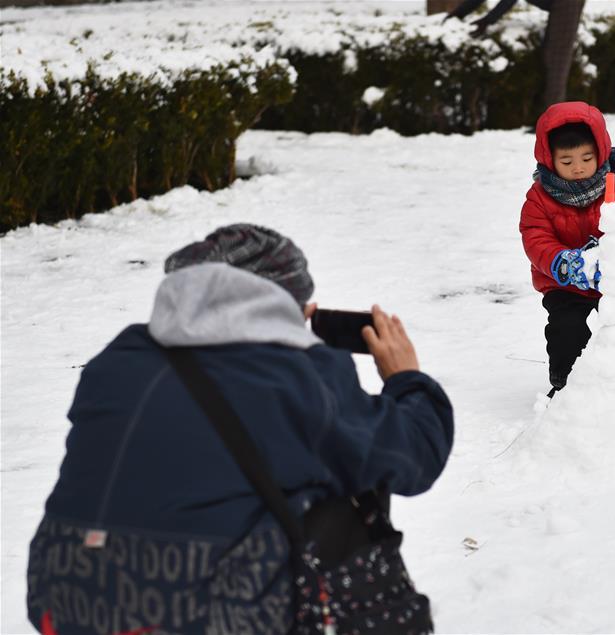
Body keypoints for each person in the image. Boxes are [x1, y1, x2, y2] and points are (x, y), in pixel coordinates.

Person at [26, 224, 454, 634]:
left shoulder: (117, 360)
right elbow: (415, 456)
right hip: (207, 616)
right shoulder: (298, 375)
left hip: (66, 599)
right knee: (342, 483)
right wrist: (405, 377)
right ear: (284, 306)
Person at [519, 101, 615, 397]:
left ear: (601, 154)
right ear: (549, 159)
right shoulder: (539, 198)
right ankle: (566, 385)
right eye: (567, 162)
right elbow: (535, 237)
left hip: (614, 281)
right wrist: (564, 262)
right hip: (565, 284)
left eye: (586, 158)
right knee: (567, 332)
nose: (578, 168)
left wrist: (614, 257)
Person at [445, 0, 586, 110]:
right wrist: (457, 14)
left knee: (556, 61)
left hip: (567, 3)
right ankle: (548, 117)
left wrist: (487, 20)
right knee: (547, 56)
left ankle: (555, 122)